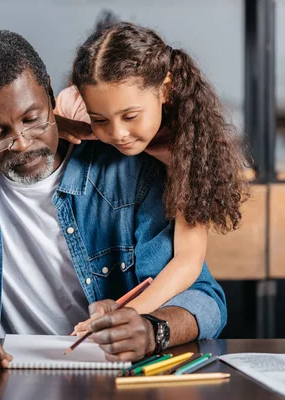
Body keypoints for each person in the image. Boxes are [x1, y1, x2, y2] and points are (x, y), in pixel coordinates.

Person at [0, 29, 226, 371]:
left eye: (32, 119)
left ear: (49, 94)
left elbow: (203, 299)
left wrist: (152, 329)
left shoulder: (131, 170)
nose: (22, 143)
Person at [55, 22, 249, 335]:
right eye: (100, 119)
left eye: (130, 116)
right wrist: (57, 125)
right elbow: (54, 109)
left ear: (165, 89)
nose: (117, 133)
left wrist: (128, 313)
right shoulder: (76, 105)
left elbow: (187, 261)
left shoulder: (185, 149)